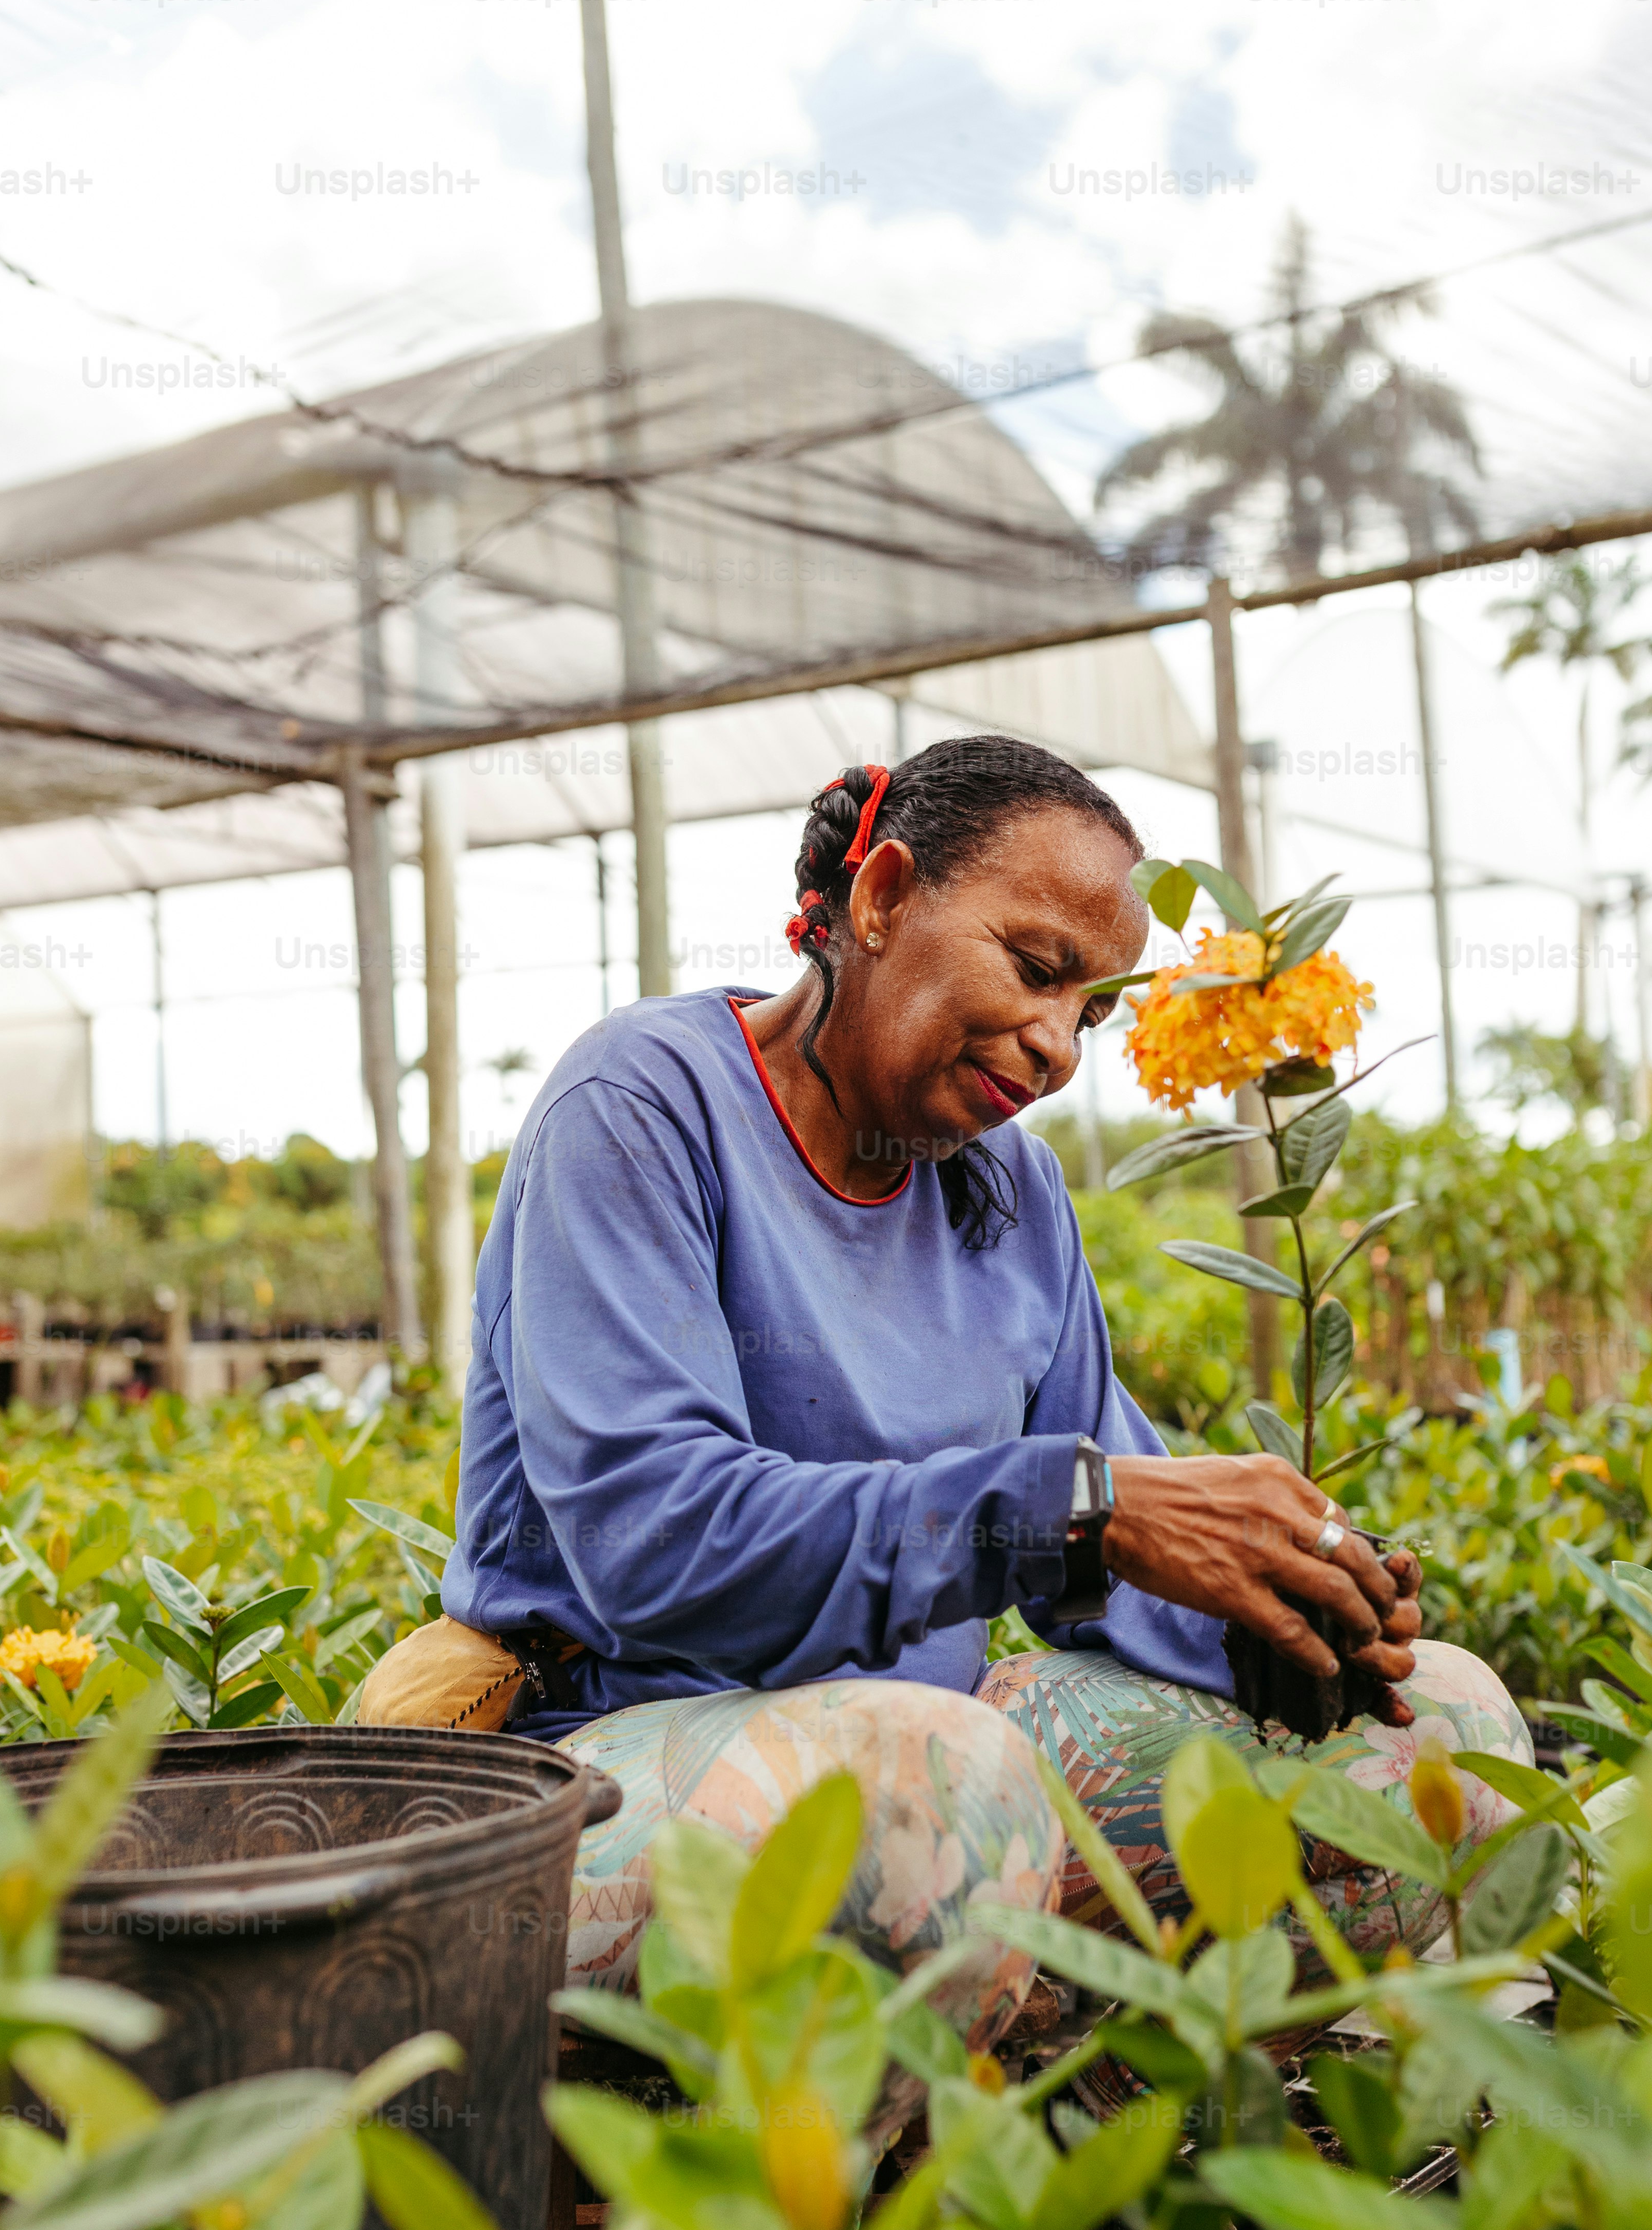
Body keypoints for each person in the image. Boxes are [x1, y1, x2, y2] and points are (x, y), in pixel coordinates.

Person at [363, 737, 1531, 2042]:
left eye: (1090, 1009)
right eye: (1035, 970)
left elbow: (1112, 1531)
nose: (1056, 1046)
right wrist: (1078, 1514)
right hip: (599, 1775)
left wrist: (1284, 1610)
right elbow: (660, 1541)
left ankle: (1099, 2144)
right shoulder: (642, 1106)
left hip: (920, 1761)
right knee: (940, 1781)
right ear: (881, 899)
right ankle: (872, 2229)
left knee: (1441, 1729)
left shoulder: (1010, 1195)